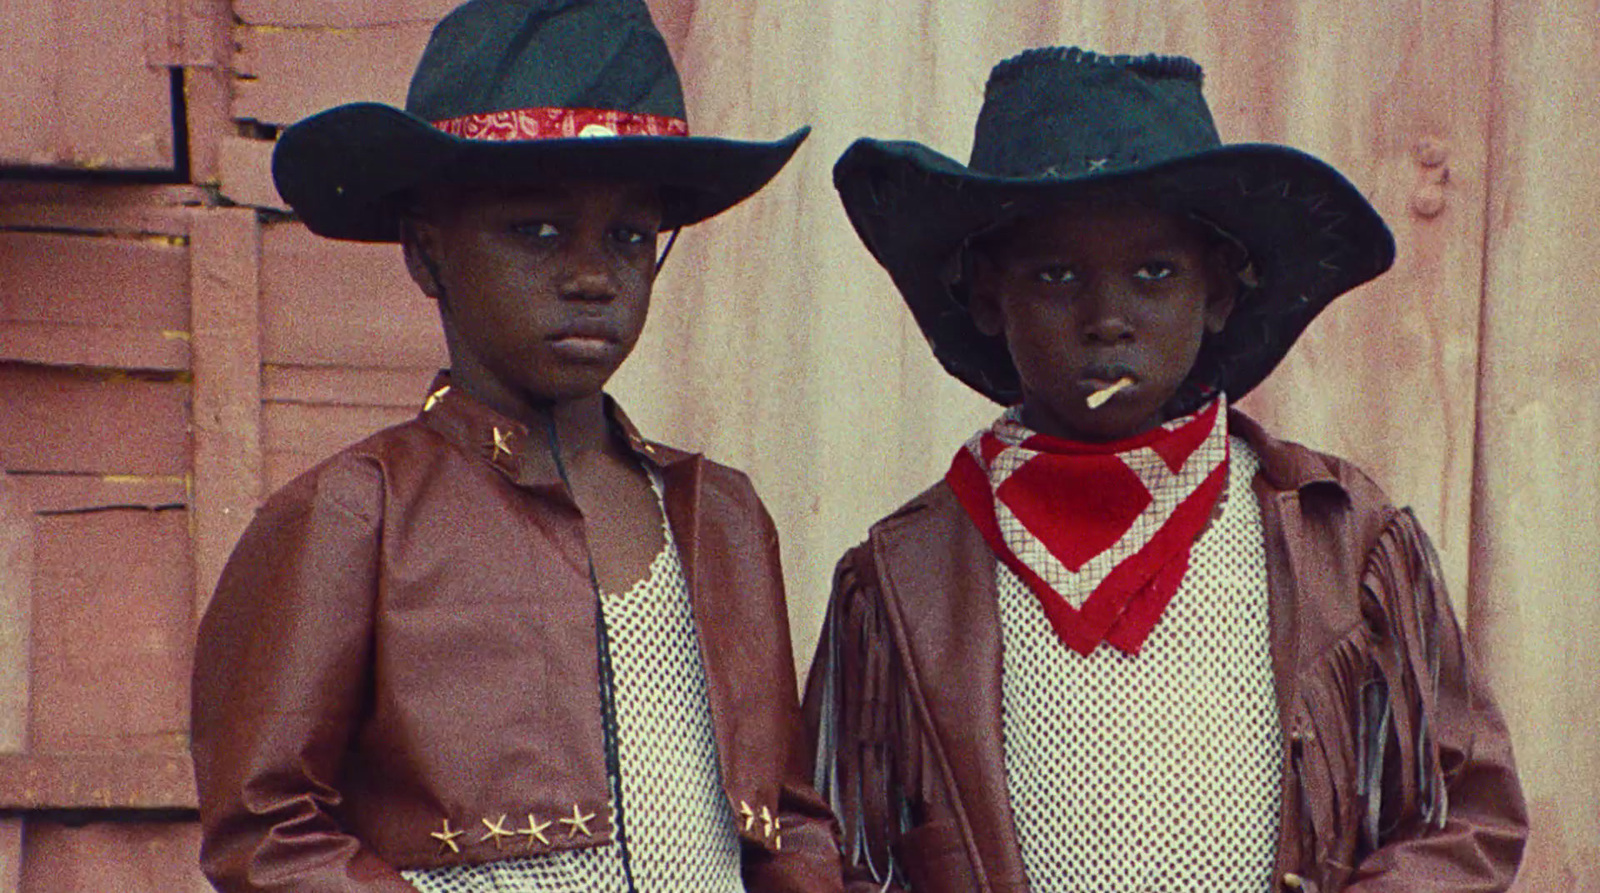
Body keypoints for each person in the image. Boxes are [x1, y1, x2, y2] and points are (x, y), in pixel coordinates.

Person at [804, 47, 1526, 892]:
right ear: (988, 296)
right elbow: (837, 849)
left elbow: (1466, 812)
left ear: (1219, 291)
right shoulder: (899, 584)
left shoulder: (1345, 543)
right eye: (1056, 274)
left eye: (1155, 273)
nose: (1108, 317)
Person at [190, 2, 841, 891]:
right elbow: (267, 829)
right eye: (536, 230)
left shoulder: (720, 513)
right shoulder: (357, 512)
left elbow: (789, 818)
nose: (590, 274)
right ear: (428, 253)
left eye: (630, 237)